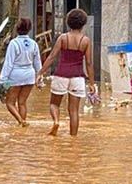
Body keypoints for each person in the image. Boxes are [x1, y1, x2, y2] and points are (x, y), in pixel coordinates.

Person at [37, 8, 96, 136]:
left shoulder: (63, 38)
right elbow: (89, 63)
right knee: (74, 111)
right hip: (78, 78)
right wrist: (92, 83)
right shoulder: (85, 41)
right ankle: (73, 139)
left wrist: (40, 73)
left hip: (61, 76)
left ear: (68, 22)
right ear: (83, 24)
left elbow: (52, 57)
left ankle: (56, 121)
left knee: (54, 104)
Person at [0, 18, 42, 127]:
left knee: (10, 103)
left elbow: (8, 63)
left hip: (15, 76)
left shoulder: (14, 43)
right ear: (29, 29)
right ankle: (22, 124)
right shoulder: (34, 44)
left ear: (17, 29)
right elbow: (38, 63)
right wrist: (40, 78)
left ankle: (21, 121)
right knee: (22, 103)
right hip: (29, 76)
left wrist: (2, 80)